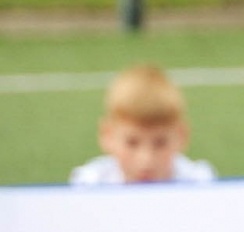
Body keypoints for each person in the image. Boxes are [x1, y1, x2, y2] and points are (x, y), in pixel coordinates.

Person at [69, 64, 216, 185]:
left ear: (182, 135)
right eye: (132, 143)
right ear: (107, 135)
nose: (146, 160)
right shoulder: (89, 183)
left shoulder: (200, 183)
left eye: (160, 143)